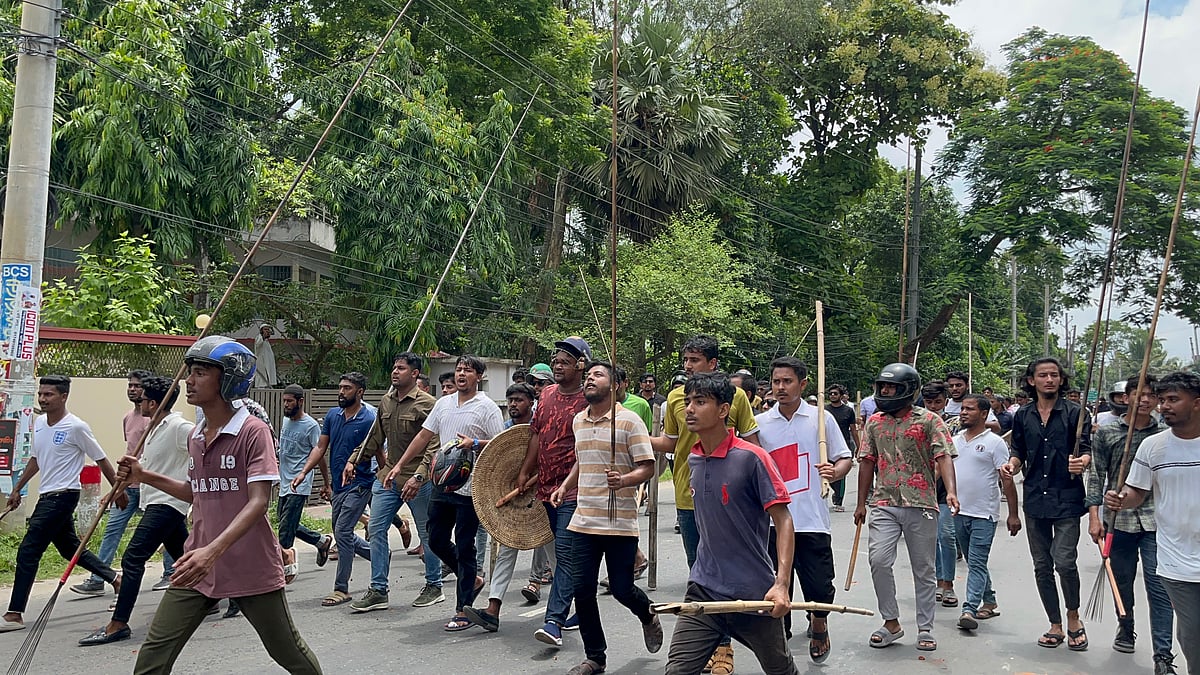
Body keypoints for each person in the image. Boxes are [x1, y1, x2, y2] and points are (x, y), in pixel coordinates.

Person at [112, 336, 321, 673]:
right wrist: (144, 474)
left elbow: (258, 502)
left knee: (288, 652)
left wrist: (214, 550)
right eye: (190, 372)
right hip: (197, 564)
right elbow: (196, 492)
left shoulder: (253, 432)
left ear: (228, 379)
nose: (189, 381)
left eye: (200, 373)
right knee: (152, 657)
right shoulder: (197, 435)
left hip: (248, 563)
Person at [664, 372, 798, 675]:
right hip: (704, 589)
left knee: (780, 669)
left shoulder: (752, 458)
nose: (689, 409)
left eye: (700, 402)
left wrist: (781, 584)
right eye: (687, 402)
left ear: (723, 410)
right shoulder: (694, 459)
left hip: (753, 593)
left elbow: (784, 519)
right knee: (677, 671)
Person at [649, 335, 760, 675]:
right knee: (700, 570)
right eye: (685, 360)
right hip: (688, 494)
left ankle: (724, 648)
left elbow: (752, 441)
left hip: (729, 497)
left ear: (712, 363)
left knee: (723, 573)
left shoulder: (735, 396)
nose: (687, 366)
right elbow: (670, 442)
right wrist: (632, 438)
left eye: (694, 360)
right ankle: (706, 645)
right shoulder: (675, 398)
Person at [547, 362, 661, 675]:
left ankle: (647, 614)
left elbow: (647, 467)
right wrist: (565, 486)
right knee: (582, 590)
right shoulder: (578, 421)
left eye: (597, 375)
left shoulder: (629, 421)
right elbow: (583, 461)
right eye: (588, 376)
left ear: (615, 385)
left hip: (620, 522)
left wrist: (624, 480)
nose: (589, 379)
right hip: (584, 520)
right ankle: (595, 657)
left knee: (623, 589)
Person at [387, 355, 503, 632]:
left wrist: (474, 443)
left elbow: (501, 445)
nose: (461, 374)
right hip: (442, 483)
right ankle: (471, 578)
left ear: (479, 377)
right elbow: (423, 437)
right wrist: (400, 464)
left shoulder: (487, 407)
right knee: (436, 540)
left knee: (465, 548)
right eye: (459, 369)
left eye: (468, 370)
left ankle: (463, 609)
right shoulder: (443, 404)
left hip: (470, 488)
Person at [2, 375, 127, 633]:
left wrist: (118, 489)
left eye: (48, 394)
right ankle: (116, 579)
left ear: (63, 397)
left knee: (28, 549)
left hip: (64, 495)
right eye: (41, 394)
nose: (42, 399)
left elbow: (101, 459)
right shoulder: (39, 423)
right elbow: (36, 459)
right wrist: (17, 489)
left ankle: (14, 613)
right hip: (48, 494)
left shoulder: (76, 427)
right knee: (70, 548)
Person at [78, 374, 195, 646]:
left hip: (169, 503)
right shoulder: (151, 430)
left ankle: (118, 623)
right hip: (152, 501)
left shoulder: (179, 426)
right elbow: (139, 474)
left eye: (141, 398)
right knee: (184, 558)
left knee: (132, 558)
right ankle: (216, 597)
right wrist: (114, 493)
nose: (137, 402)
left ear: (153, 403)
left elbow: (203, 451)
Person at [855, 363, 957, 652]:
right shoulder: (874, 422)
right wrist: (861, 503)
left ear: (909, 390)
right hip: (884, 502)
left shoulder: (930, 421)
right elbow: (866, 462)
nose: (886, 392)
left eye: (892, 388)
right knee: (878, 560)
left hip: (921, 502)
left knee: (923, 569)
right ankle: (891, 622)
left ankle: (925, 628)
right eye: (883, 387)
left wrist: (950, 492)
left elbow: (944, 456)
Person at [756, 358, 852, 662]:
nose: (781, 388)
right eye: (776, 382)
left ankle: (819, 621)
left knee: (820, 585)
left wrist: (835, 472)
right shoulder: (759, 425)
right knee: (774, 586)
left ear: (803, 384)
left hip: (811, 519)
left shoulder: (821, 419)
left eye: (787, 381)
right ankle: (779, 643)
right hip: (771, 522)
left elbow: (844, 458)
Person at [1105, 370, 1200, 675]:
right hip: (1177, 562)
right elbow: (1137, 492)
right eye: (1163, 400)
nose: (1164, 406)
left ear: (1197, 403)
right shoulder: (1153, 447)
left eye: (1173, 399)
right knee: (1192, 637)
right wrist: (1120, 499)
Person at [1087, 375, 1176, 673]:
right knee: (1121, 580)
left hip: (1157, 521)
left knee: (1159, 586)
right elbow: (1097, 476)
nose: (1148, 400)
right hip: (1117, 520)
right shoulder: (1108, 433)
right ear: (1126, 398)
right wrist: (1095, 517)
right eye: (1141, 394)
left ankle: (1163, 653)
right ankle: (1125, 625)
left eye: (1154, 395)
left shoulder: (1166, 433)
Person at [1003, 356, 1092, 651]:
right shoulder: (1023, 414)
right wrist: (1013, 465)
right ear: (1032, 381)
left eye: (1054, 375)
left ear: (1061, 380)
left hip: (1067, 497)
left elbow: (1088, 451)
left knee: (1065, 562)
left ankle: (1073, 617)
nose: (1050, 380)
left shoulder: (1076, 413)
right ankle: (1055, 624)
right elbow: (1018, 449)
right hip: (1035, 498)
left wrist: (1082, 462)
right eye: (1043, 375)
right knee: (1042, 565)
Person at [346, 353, 442, 612]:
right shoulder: (386, 402)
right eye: (394, 368)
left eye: (401, 368)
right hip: (388, 476)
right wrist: (354, 461)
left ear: (414, 374)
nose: (395, 372)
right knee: (376, 529)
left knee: (427, 533)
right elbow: (373, 437)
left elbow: (433, 447)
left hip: (419, 480)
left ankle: (435, 584)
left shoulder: (429, 404)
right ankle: (378, 589)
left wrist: (419, 477)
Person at [516, 337, 592, 646]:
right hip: (545, 487)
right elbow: (536, 434)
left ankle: (553, 621)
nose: (558, 366)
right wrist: (525, 469)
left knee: (565, 552)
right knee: (572, 556)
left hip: (577, 488)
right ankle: (582, 610)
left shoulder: (591, 398)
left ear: (581, 365)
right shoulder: (545, 395)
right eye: (556, 361)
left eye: (565, 361)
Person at [74, 369, 175, 596]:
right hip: (129, 486)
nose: (132, 389)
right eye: (129, 385)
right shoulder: (128, 418)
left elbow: (152, 455)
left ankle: (170, 572)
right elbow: (130, 452)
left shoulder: (159, 420)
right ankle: (99, 577)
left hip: (152, 485)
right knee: (112, 528)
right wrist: (117, 487)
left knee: (167, 529)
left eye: (137, 386)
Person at [293, 372, 377, 608]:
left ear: (360, 392)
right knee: (343, 532)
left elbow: (378, 451)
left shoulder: (370, 418)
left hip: (361, 482)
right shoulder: (333, 415)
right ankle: (377, 555)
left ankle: (341, 588)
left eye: (347, 388)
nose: (341, 392)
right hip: (340, 486)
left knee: (341, 531)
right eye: (340, 387)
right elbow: (321, 447)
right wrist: (304, 472)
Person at [952, 394, 1020, 632]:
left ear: (983, 414)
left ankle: (969, 608)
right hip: (958, 512)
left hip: (984, 514)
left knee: (978, 561)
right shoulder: (955, 440)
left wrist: (1013, 514)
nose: (963, 412)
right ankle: (989, 600)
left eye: (969, 409)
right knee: (973, 562)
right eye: (962, 409)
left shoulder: (995, 443)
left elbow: (1007, 481)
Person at [275, 385, 333, 584]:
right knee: (286, 522)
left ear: (300, 401)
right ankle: (321, 541)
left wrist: (327, 483)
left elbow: (320, 455)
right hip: (284, 481)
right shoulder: (285, 421)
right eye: (284, 401)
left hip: (300, 483)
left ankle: (285, 568)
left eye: (290, 401)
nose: (286, 404)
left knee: (285, 529)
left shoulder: (310, 426)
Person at [826, 384, 858, 513]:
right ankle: (833, 491)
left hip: (844, 445)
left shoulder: (848, 411)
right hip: (827, 445)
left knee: (841, 475)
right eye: (831, 393)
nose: (833, 395)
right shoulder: (824, 410)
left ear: (841, 395)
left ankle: (839, 500)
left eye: (835, 393)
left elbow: (854, 430)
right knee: (827, 471)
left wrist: (859, 446)